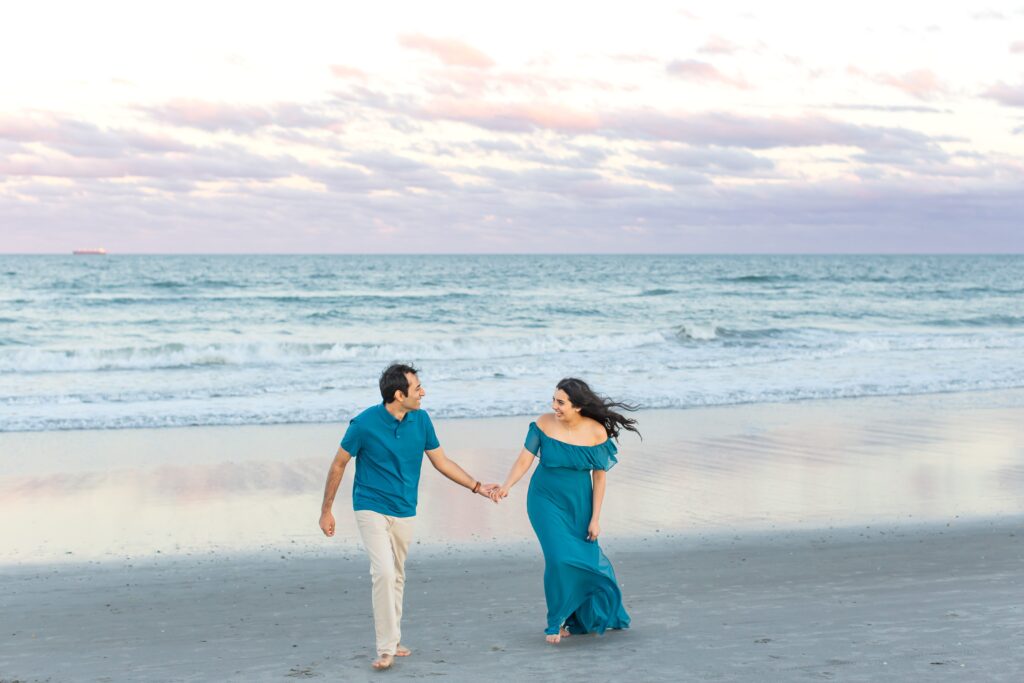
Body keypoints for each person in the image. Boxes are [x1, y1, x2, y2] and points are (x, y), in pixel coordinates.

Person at [319, 363, 499, 671]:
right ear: (399, 394)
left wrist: (477, 486)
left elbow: (441, 461)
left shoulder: (422, 420)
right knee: (384, 573)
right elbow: (338, 464)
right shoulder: (363, 424)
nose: (423, 392)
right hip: (370, 505)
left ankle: (395, 638)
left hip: (405, 508)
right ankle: (386, 648)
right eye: (417, 389)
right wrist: (326, 510)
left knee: (398, 574)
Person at [492, 377, 638, 643]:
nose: (554, 406)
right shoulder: (544, 423)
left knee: (587, 559)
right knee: (558, 558)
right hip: (543, 499)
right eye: (554, 400)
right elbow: (524, 459)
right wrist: (507, 486)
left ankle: (589, 614)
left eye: (561, 402)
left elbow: (600, 478)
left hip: (579, 503)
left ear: (578, 406)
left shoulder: (596, 432)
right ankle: (555, 622)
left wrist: (595, 519)